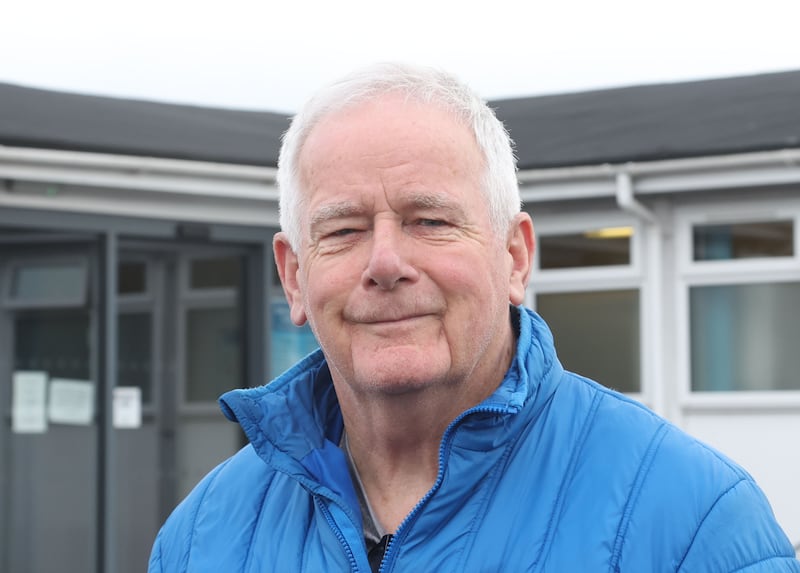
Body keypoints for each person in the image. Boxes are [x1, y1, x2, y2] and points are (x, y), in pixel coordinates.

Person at [148, 63, 799, 572]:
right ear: (294, 275)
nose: (385, 262)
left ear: (515, 256)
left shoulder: (689, 523)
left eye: (429, 220)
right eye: (343, 229)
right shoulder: (201, 538)